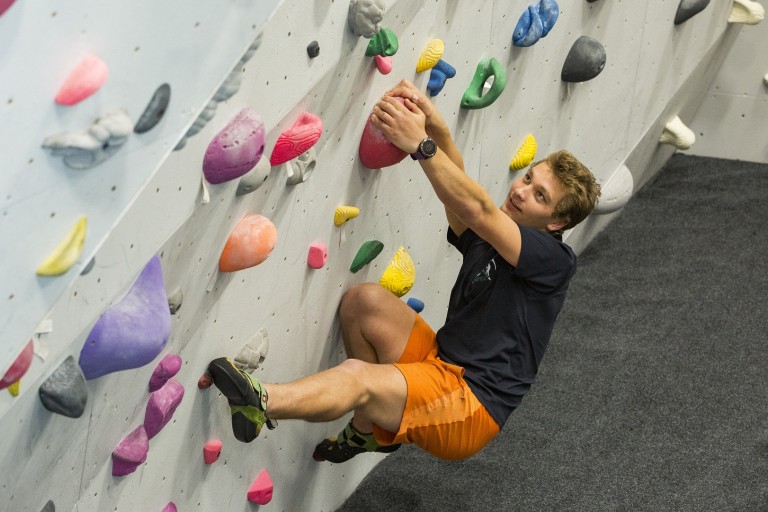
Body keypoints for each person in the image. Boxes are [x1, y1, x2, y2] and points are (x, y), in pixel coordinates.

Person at [203, 79, 601, 463]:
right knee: (363, 303)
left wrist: (421, 145)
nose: (520, 190)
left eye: (539, 196)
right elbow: (466, 201)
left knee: (359, 379)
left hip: (472, 405)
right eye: (529, 177)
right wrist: (437, 125)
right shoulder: (497, 235)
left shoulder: (553, 261)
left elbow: (477, 207)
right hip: (442, 363)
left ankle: (262, 401)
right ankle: (368, 432)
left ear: (555, 224)